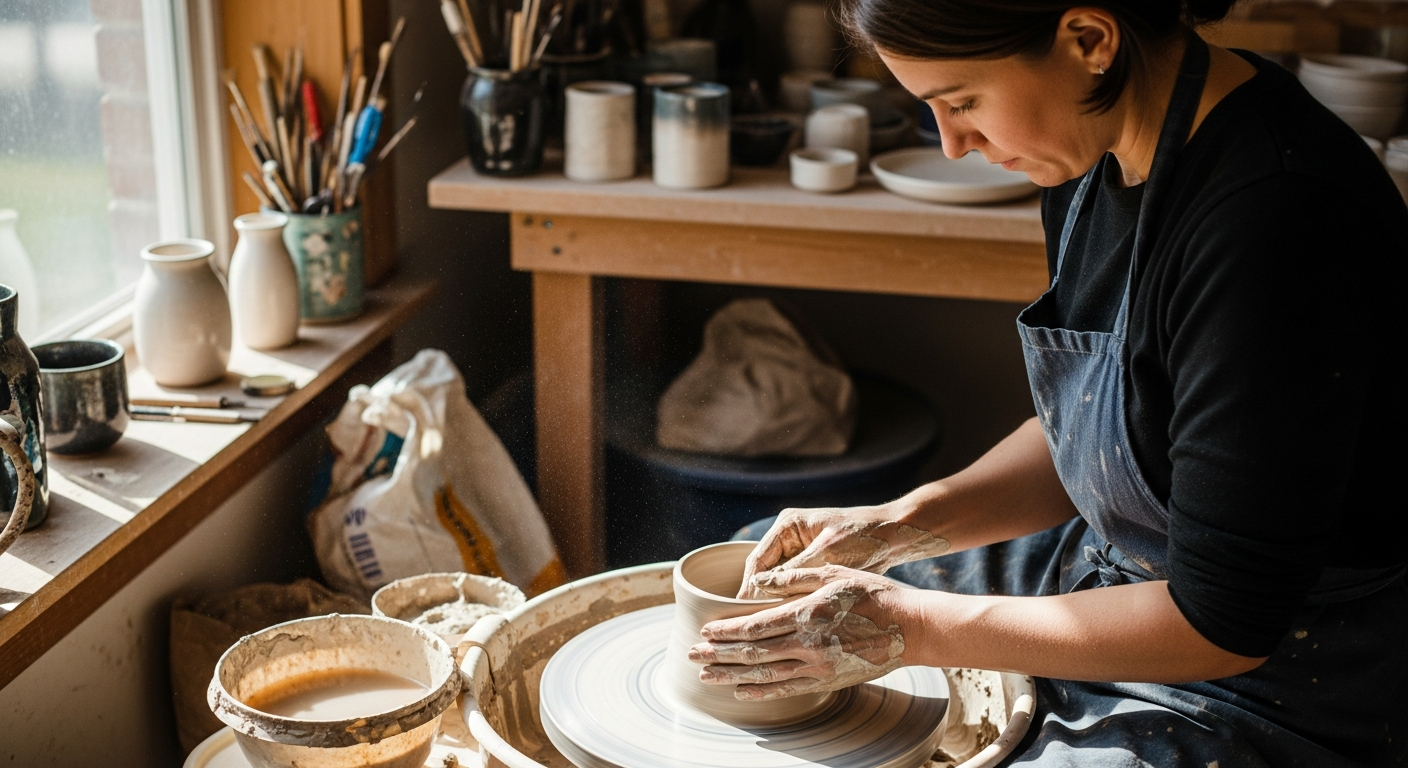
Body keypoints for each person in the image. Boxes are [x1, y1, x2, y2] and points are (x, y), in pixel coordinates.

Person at [686, 1, 1408, 765]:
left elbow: (1223, 623)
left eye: (963, 102)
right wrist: (894, 524)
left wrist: (916, 627)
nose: (954, 144)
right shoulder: (1096, 145)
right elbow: (1106, 434)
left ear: (1088, 40)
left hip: (1283, 671)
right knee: (759, 581)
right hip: (1119, 569)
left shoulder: (1276, 221)